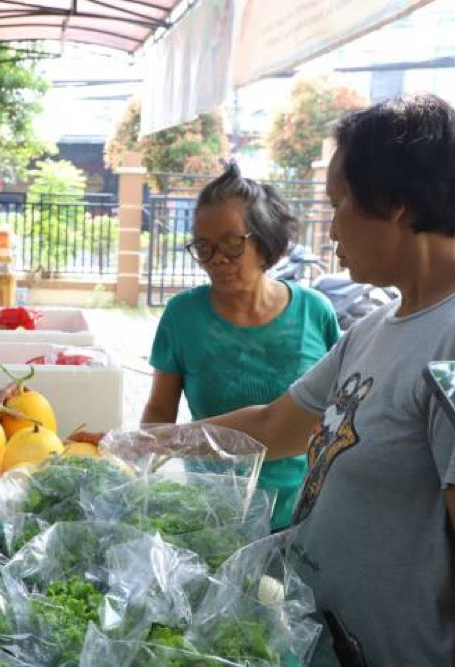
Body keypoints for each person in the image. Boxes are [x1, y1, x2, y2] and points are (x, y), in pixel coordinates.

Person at [196, 95, 455, 664]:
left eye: (339, 203)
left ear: (396, 204)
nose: (332, 227)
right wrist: (144, 442)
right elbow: (274, 425)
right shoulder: (377, 328)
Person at [143, 163, 340, 531]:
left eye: (232, 244)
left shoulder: (315, 312)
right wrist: (140, 475)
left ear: (264, 242)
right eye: (204, 247)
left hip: (303, 515)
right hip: (211, 517)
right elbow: (159, 410)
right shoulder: (183, 315)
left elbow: (337, 416)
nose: (217, 258)